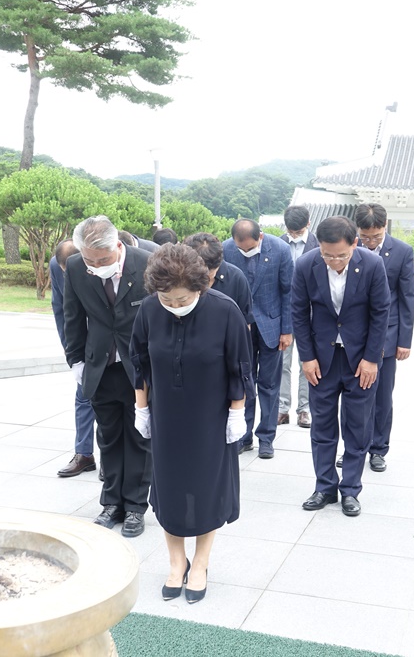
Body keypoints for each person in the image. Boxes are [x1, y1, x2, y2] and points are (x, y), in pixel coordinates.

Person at [130, 243, 253, 604]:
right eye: (168, 299)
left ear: (200, 287)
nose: (175, 305)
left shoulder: (225, 311)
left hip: (211, 416)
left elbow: (240, 367)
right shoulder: (151, 309)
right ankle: (174, 562)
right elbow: (140, 362)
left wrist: (236, 413)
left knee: (207, 488)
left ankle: (200, 563)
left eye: (183, 299)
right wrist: (141, 409)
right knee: (168, 488)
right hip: (166, 413)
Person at [292, 216, 390, 517]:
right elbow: (298, 311)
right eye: (328, 254)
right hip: (322, 358)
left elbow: (381, 312)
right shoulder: (307, 264)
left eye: (341, 255)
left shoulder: (372, 265)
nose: (334, 261)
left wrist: (372, 358)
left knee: (357, 425)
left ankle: (350, 489)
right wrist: (306, 357)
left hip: (360, 358)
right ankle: (324, 486)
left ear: (355, 244)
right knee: (321, 424)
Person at [63, 216, 154, 538]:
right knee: (109, 437)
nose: (95, 265)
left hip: (140, 368)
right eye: (90, 260)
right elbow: (71, 317)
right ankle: (111, 503)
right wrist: (75, 361)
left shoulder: (146, 263)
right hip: (100, 366)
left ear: (118, 246)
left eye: (102, 261)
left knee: (140, 437)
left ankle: (135, 507)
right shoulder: (75, 267)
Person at [340, 203, 414, 474]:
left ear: (385, 227)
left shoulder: (402, 251)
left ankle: (378, 448)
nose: (370, 241)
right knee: (351, 395)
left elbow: (407, 296)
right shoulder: (348, 250)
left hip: (387, 333)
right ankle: (351, 447)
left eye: (375, 236)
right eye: (365, 236)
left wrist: (404, 339)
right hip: (352, 335)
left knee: (382, 395)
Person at [222, 219, 294, 459]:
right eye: (240, 248)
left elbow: (288, 291)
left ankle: (267, 437)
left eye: (249, 248)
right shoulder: (226, 249)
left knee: (269, 384)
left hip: (271, 325)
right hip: (240, 327)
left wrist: (287, 329)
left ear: (260, 237)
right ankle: (245, 436)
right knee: (244, 382)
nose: (244, 252)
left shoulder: (281, 250)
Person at [49, 240, 98, 479]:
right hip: (81, 342)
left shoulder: (101, 261)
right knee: (84, 395)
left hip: (109, 341)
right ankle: (84, 453)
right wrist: (72, 352)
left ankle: (112, 458)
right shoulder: (56, 265)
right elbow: (61, 309)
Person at [279, 205, 319, 428]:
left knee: (308, 361)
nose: (294, 235)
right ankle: (282, 408)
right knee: (282, 364)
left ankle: (305, 409)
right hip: (284, 313)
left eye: (298, 231)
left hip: (312, 314)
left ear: (308, 224)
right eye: (291, 231)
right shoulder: (277, 243)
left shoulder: (319, 244)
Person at [184, 232, 254, 327]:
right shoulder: (179, 276)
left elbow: (245, 322)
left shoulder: (236, 278)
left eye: (209, 275)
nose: (204, 280)